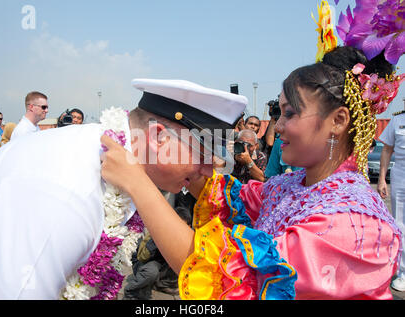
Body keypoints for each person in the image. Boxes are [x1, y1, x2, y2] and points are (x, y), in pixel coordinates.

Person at [100, 46, 403, 300]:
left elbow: (226, 273)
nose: (278, 126)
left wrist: (137, 182)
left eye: (290, 113)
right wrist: (180, 160)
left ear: (338, 120)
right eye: (277, 113)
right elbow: (233, 198)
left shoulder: (356, 224)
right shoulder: (293, 185)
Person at [0, 79, 247, 299]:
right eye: (205, 154)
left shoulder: (120, 164)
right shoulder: (67, 193)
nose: (210, 171)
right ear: (159, 138)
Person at [123, 206, 191, 300]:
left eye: (183, 227)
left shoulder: (187, 235)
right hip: (147, 262)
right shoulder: (159, 231)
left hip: (164, 266)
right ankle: (132, 291)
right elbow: (142, 257)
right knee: (151, 272)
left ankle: (161, 285)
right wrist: (160, 240)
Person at [377, 109, 405, 292]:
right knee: (401, 224)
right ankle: (403, 273)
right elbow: (386, 150)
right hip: (401, 176)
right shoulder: (397, 121)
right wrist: (381, 178)